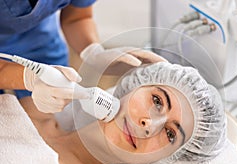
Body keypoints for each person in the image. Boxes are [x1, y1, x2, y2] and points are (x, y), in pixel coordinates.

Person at [19, 62, 227, 164]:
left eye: (170, 134)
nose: (149, 124)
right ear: (136, 85)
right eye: (157, 101)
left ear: (165, 158)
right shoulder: (30, 110)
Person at [0, 0, 165, 114]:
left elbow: (77, 17)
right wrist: (28, 78)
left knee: (48, 113)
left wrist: (93, 51)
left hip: (37, 36)